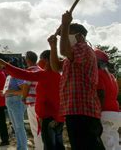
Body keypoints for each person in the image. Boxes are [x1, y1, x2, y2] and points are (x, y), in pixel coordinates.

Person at [50, 12, 103, 149]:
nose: (66, 37)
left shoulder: (83, 47)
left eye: (68, 34)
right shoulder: (72, 56)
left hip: (83, 110)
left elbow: (64, 50)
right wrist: (52, 46)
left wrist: (65, 24)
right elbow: (56, 67)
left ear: (79, 36)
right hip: (76, 110)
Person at [0, 49, 65, 150]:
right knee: (58, 144)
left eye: (41, 60)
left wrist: (4, 64)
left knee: (49, 144)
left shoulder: (45, 74)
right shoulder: (59, 75)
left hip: (48, 117)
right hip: (59, 117)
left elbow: (22, 74)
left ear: (46, 61)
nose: (40, 63)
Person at [95, 49, 120, 150]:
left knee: (106, 143)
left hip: (105, 113)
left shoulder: (97, 73)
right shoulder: (111, 76)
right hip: (116, 113)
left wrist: (98, 111)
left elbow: (101, 93)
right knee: (114, 140)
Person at [3, 62, 28, 150]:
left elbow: (23, 91)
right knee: (16, 127)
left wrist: (9, 92)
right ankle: (20, 147)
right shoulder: (9, 76)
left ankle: (23, 148)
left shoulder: (17, 75)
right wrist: (5, 93)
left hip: (16, 101)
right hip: (10, 102)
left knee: (19, 127)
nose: (6, 68)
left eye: (8, 66)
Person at [21, 51, 43, 150]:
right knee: (42, 129)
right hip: (42, 103)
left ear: (27, 60)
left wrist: (23, 97)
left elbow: (26, 86)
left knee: (36, 130)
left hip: (33, 104)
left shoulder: (29, 71)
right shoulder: (41, 70)